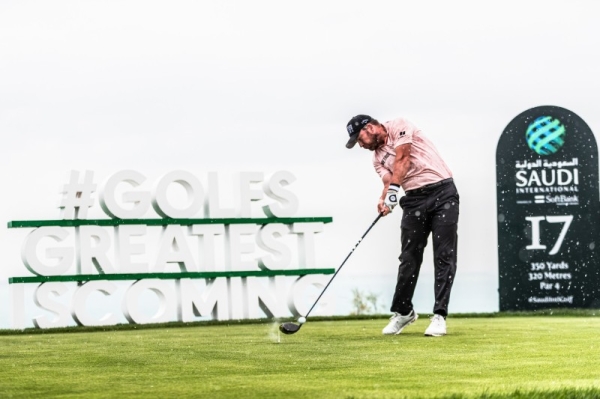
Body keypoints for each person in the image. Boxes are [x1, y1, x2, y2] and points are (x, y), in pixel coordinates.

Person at [345, 114, 459, 337]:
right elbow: (389, 183)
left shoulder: (399, 125)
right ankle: (404, 311)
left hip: (443, 193)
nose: (360, 145)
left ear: (369, 128)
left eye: (359, 139)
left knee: (444, 255)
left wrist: (395, 190)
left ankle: (439, 316)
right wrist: (384, 199)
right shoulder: (376, 158)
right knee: (409, 258)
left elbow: (403, 159)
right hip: (414, 199)